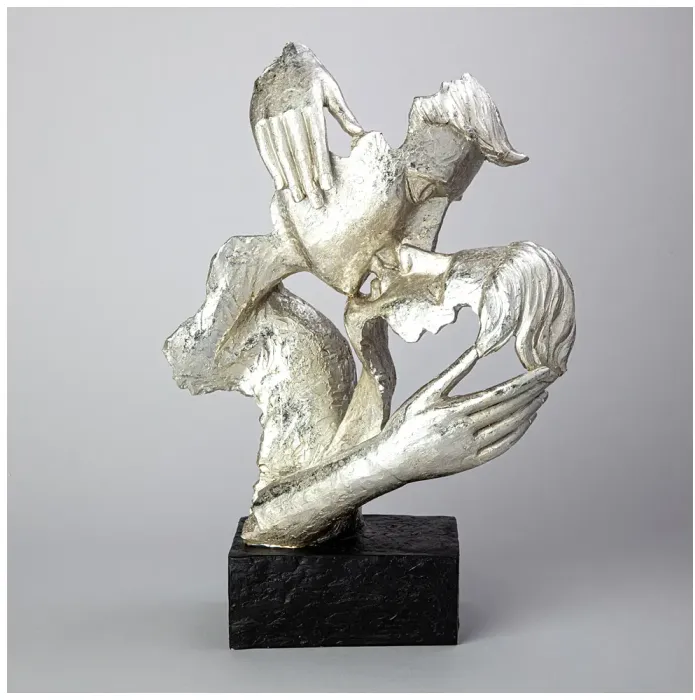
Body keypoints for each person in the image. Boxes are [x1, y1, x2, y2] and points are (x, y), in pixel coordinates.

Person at [163, 44, 572, 548]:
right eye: (420, 189)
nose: (411, 242)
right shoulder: (298, 346)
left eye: (439, 201)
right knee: (321, 356)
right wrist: (395, 458)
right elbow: (272, 524)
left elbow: (300, 517)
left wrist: (497, 272)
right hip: (258, 312)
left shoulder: (342, 360)